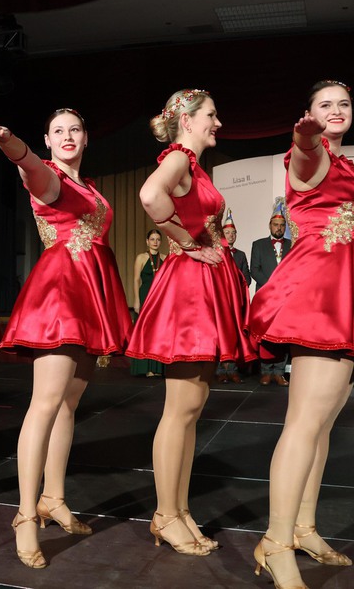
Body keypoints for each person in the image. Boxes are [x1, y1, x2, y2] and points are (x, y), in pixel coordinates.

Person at [247, 80, 354, 589]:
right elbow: (303, 159)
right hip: (320, 294)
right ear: (309, 113)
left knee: (322, 425)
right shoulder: (312, 156)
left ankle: (304, 528)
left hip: (349, 292)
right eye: (325, 105)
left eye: (343, 104)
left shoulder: (347, 164)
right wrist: (305, 138)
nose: (336, 110)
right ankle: (275, 543)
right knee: (304, 423)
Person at [0, 108, 131, 569]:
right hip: (61, 291)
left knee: (68, 404)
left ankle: (54, 498)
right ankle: (25, 515)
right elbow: (29, 165)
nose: (67, 136)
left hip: (91, 291)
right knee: (45, 404)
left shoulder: (90, 186)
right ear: (46, 139)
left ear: (86, 137)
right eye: (58, 131)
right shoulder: (49, 178)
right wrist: (7, 140)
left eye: (74, 129)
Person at [123, 89, 253, 558]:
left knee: (193, 406)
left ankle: (178, 510)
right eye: (212, 115)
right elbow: (148, 195)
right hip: (189, 289)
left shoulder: (194, 166)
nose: (218, 122)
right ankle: (164, 514)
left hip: (203, 285)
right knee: (180, 408)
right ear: (188, 120)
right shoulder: (178, 157)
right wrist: (187, 241)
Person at [250, 204, 291, 386]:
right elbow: (254, 270)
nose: (279, 228)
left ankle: (279, 372)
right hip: (265, 298)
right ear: (270, 225)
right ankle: (266, 372)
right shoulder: (258, 245)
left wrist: (283, 288)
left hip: (286, 298)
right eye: (275, 225)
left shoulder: (292, 245)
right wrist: (272, 286)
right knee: (265, 335)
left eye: (282, 225)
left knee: (282, 335)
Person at [218, 208, 250, 384]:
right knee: (220, 333)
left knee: (234, 334)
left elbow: (247, 278)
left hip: (236, 301)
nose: (230, 236)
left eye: (233, 233)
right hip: (221, 301)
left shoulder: (241, 255)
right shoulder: (217, 254)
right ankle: (220, 370)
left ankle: (233, 370)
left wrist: (236, 286)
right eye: (227, 233)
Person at [130, 228, 163, 377]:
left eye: (158, 239)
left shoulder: (165, 257)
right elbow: (136, 280)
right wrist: (137, 300)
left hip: (160, 298)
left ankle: (157, 367)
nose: (155, 242)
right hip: (145, 296)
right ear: (147, 241)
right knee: (145, 332)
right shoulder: (141, 258)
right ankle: (146, 367)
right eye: (152, 239)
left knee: (158, 332)